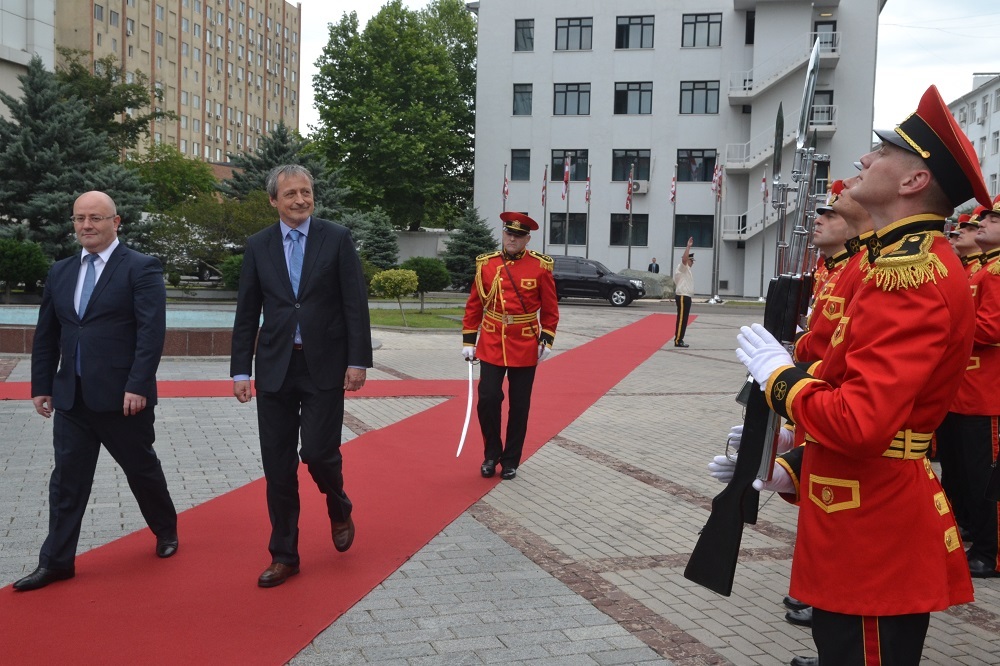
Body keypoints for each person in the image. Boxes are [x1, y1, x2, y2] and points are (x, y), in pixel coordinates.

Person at [735, 85, 991, 664]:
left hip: (875, 530)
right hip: (853, 512)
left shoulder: (915, 274)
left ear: (913, 182)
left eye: (881, 153)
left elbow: (861, 425)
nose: (864, 160)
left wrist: (781, 380)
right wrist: (788, 462)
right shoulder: (888, 262)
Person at [15, 191, 178, 592]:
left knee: (141, 469)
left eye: (96, 218)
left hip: (123, 398)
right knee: (66, 482)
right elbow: (47, 334)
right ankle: (56, 562)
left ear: (116, 222)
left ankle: (166, 529)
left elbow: (150, 333)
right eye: (79, 218)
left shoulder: (141, 267)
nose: (86, 225)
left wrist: (138, 385)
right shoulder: (61, 272)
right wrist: (41, 385)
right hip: (71, 396)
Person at [231, 164, 372, 588]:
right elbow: (246, 311)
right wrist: (241, 369)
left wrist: (358, 361)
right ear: (273, 200)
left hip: (323, 366)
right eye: (290, 194)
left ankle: (338, 502)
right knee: (277, 467)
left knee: (316, 452)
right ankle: (284, 555)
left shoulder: (337, 238)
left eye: (306, 192)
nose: (300, 200)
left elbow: (355, 303)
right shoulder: (258, 245)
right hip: (275, 367)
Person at [462, 211, 559, 481]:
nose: (512, 238)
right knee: (488, 398)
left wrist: (547, 338)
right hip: (492, 341)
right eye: (508, 233)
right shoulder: (486, 264)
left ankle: (510, 460)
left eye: (518, 235)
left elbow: (550, 309)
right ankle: (491, 453)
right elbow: (474, 304)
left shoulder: (540, 267)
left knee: (519, 405)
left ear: (527, 239)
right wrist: (469, 339)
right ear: (503, 234)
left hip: (525, 343)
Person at [939, 194, 1000, 578]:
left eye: (993, 220)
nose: (983, 224)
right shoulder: (981, 269)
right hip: (963, 393)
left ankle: (992, 552)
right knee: (961, 475)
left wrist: (947, 327)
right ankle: (975, 537)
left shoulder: (995, 273)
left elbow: (992, 328)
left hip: (985, 395)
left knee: (986, 481)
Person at [672, 237, 694, 347]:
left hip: (686, 296)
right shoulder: (682, 267)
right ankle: (678, 340)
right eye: (691, 260)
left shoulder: (687, 270)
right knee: (681, 318)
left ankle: (680, 338)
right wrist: (688, 246)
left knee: (684, 319)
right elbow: (684, 260)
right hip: (682, 296)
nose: (692, 262)